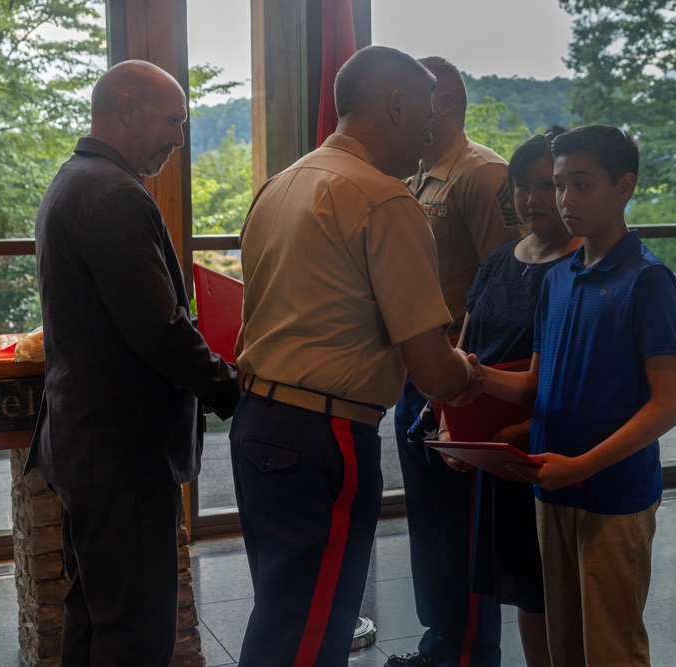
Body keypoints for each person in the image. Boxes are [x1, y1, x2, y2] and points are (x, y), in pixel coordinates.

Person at [231, 45, 480, 667]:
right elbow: (431, 369)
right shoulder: (384, 199)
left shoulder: (279, 185)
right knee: (312, 634)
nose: (429, 135)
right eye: (425, 117)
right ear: (395, 104)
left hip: (257, 421)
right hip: (325, 433)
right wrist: (471, 372)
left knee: (283, 611)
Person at [27, 59, 240, 666]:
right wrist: (235, 391)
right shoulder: (113, 194)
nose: (179, 137)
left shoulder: (75, 179)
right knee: (135, 637)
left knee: (94, 620)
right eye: (172, 120)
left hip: (88, 448)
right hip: (121, 457)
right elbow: (161, 330)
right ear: (125, 108)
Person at [475, 124, 676, 665]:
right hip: (553, 485)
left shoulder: (648, 279)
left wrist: (582, 466)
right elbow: (534, 386)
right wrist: (472, 375)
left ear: (625, 187)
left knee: (611, 648)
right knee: (563, 645)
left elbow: (669, 404)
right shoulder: (559, 279)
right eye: (560, 185)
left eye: (581, 184)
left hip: (613, 495)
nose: (566, 200)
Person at [389, 55, 522, 667]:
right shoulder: (419, 176)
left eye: (407, 101)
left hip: (464, 379)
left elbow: (510, 284)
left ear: (441, 105)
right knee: (432, 525)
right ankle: (439, 642)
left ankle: (466, 654)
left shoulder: (481, 174)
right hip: (423, 374)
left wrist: (478, 395)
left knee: (460, 527)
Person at [431, 125, 577, 667]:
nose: (534, 199)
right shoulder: (497, 259)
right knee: (522, 589)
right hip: (489, 450)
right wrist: (449, 426)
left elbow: (576, 379)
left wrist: (517, 428)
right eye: (522, 186)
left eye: (549, 185)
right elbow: (464, 350)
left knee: (560, 591)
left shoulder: (581, 266)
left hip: (545, 447)